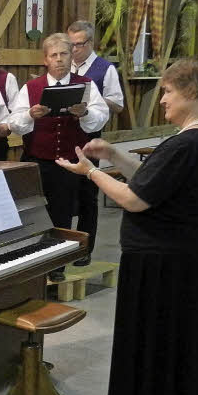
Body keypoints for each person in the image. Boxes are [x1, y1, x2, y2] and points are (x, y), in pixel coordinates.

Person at [55, 55, 198, 395]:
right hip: (178, 263)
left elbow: (135, 199)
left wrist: (92, 172)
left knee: (159, 356)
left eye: (168, 91)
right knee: (162, 356)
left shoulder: (188, 143)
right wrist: (114, 154)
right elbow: (151, 180)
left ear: (190, 92)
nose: (163, 99)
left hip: (165, 268)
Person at [7, 33, 109, 280]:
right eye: (54, 55)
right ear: (45, 60)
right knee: (39, 212)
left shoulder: (85, 84)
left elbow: (101, 115)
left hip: (73, 158)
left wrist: (84, 113)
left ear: (71, 55)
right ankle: (38, 260)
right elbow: (13, 122)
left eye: (64, 54)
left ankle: (58, 266)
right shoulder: (31, 87)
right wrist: (31, 114)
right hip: (40, 158)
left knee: (67, 211)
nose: (59, 60)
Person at [68, 20, 125, 265]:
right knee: (64, 194)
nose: (73, 50)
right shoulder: (65, 66)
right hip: (65, 135)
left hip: (90, 138)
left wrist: (94, 99)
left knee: (87, 194)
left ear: (90, 43)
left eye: (78, 45)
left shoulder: (105, 68)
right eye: (69, 45)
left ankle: (85, 250)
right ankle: (63, 248)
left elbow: (118, 104)